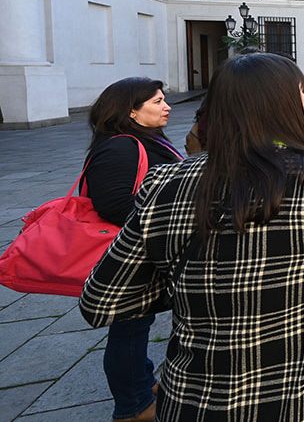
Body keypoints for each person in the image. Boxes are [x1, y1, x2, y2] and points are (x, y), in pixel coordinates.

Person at [81, 53, 304, 422]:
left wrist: (198, 289)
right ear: (283, 105)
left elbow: (101, 300)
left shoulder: (164, 186)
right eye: (300, 92)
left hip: (200, 400)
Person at [82, 78, 184, 422]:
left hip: (145, 251)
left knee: (138, 324)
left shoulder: (145, 140)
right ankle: (133, 406)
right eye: (157, 101)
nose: (166, 106)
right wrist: (161, 226)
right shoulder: (120, 147)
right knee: (129, 327)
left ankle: (142, 381)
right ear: (131, 111)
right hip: (131, 254)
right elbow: (113, 205)